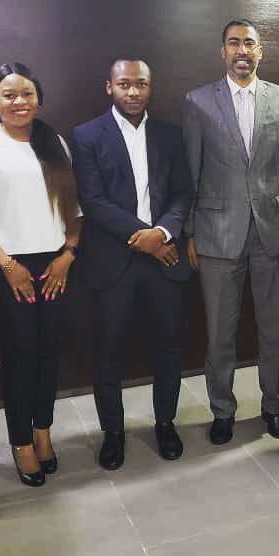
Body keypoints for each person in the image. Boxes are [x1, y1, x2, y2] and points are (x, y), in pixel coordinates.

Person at [0, 63, 80, 487]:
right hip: (6, 266)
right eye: (8, 95)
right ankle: (21, 443)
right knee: (21, 355)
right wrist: (7, 266)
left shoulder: (53, 141)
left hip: (55, 264)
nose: (19, 102)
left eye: (26, 93)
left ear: (38, 98)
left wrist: (68, 255)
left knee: (50, 350)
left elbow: (74, 210)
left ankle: (43, 431)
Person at [182, 19, 279, 445]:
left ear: (260, 50)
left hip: (273, 231)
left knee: (275, 330)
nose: (242, 50)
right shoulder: (198, 102)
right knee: (220, 333)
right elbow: (190, 172)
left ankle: (274, 406)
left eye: (249, 43)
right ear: (223, 51)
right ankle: (222, 410)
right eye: (234, 43)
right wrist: (190, 233)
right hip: (216, 233)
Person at [71, 58, 193, 470]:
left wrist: (163, 232)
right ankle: (113, 433)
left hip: (165, 257)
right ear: (109, 87)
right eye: (124, 84)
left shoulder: (170, 134)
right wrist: (148, 239)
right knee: (108, 352)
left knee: (168, 348)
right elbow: (93, 201)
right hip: (113, 261)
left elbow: (183, 193)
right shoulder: (87, 135)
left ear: (150, 87)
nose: (134, 92)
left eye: (141, 84)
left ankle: (165, 423)